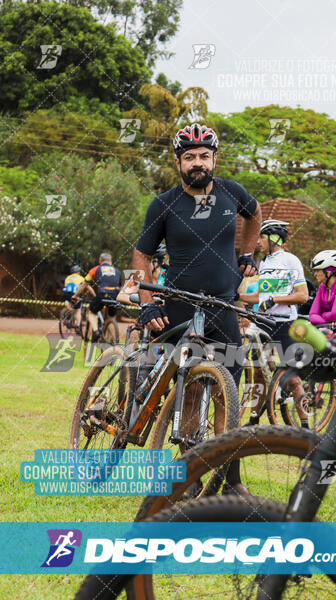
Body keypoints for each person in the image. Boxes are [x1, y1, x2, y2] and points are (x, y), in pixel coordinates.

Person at [133, 122, 262, 495]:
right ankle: (189, 473)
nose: (198, 163)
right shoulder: (163, 205)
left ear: (215, 158)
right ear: (178, 162)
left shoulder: (232, 193)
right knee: (188, 389)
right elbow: (142, 254)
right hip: (179, 305)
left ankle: (232, 482)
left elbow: (254, 216)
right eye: (189, 157)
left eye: (204, 155)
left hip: (222, 306)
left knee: (229, 395)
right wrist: (146, 304)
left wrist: (249, 252)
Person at [239, 219, 310, 427]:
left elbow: (302, 295)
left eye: (261, 237)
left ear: (274, 238)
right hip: (263, 324)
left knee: (293, 379)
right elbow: (262, 296)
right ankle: (253, 420)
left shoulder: (290, 261)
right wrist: (238, 296)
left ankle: (305, 425)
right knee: (258, 375)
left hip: (285, 324)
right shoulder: (265, 263)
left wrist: (275, 300)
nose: (258, 242)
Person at [75, 253, 121, 342]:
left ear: (100, 261)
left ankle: (96, 331)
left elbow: (84, 284)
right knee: (111, 317)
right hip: (115, 296)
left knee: (91, 312)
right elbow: (119, 286)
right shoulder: (117, 271)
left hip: (102, 294)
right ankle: (113, 340)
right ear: (110, 261)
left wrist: (76, 295)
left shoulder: (96, 269)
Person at [62, 265, 84, 332]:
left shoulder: (68, 278)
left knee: (69, 304)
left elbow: (66, 287)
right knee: (78, 310)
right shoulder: (81, 278)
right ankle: (77, 326)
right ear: (78, 272)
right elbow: (83, 287)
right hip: (75, 294)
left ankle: (68, 316)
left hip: (66, 294)